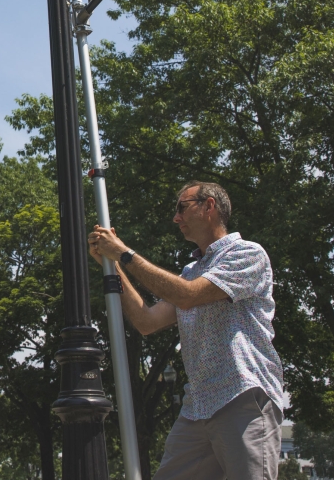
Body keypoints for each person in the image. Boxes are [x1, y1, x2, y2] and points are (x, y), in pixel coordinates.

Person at [88, 181, 284, 480]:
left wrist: (125, 253)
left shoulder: (247, 254)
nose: (176, 218)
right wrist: (112, 265)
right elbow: (147, 321)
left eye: (182, 207)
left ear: (209, 206)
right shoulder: (192, 272)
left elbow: (188, 296)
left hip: (241, 396)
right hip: (198, 408)